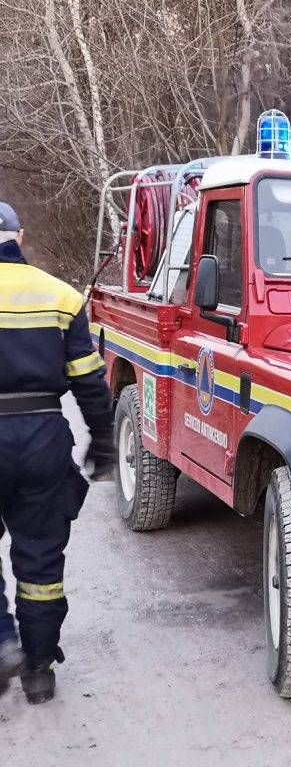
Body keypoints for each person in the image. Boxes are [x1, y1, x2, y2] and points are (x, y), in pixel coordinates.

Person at [0, 201, 114, 704]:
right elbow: (89, 381)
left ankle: (3, 642)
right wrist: (105, 440)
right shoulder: (61, 297)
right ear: (18, 237)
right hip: (42, 434)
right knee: (41, 558)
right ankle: (40, 668)